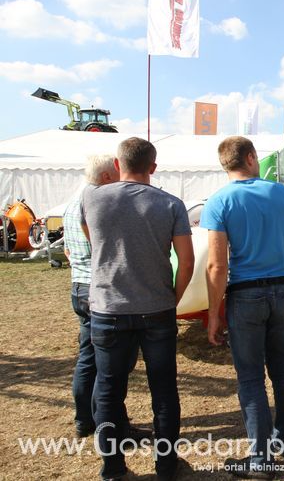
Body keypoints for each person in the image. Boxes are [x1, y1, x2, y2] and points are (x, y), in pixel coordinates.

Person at [81, 138, 194, 480]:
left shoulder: (92, 200)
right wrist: (174, 296)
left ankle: (113, 467)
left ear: (117, 164)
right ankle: (165, 464)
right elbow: (186, 260)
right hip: (157, 308)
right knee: (163, 389)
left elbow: (92, 241)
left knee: (109, 390)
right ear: (153, 167)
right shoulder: (171, 204)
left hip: (108, 308)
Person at [201, 136, 284, 479]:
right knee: (282, 368)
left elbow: (217, 266)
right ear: (250, 158)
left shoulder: (218, 201)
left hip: (244, 295)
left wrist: (214, 312)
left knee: (250, 379)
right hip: (280, 289)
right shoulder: (280, 193)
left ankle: (260, 459)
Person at [63, 155, 149, 441]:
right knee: (113, 365)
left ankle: (84, 419)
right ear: (107, 178)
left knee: (88, 358)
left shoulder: (74, 200)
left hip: (79, 284)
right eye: (117, 174)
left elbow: (67, 250)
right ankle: (112, 425)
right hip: (99, 291)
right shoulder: (97, 204)